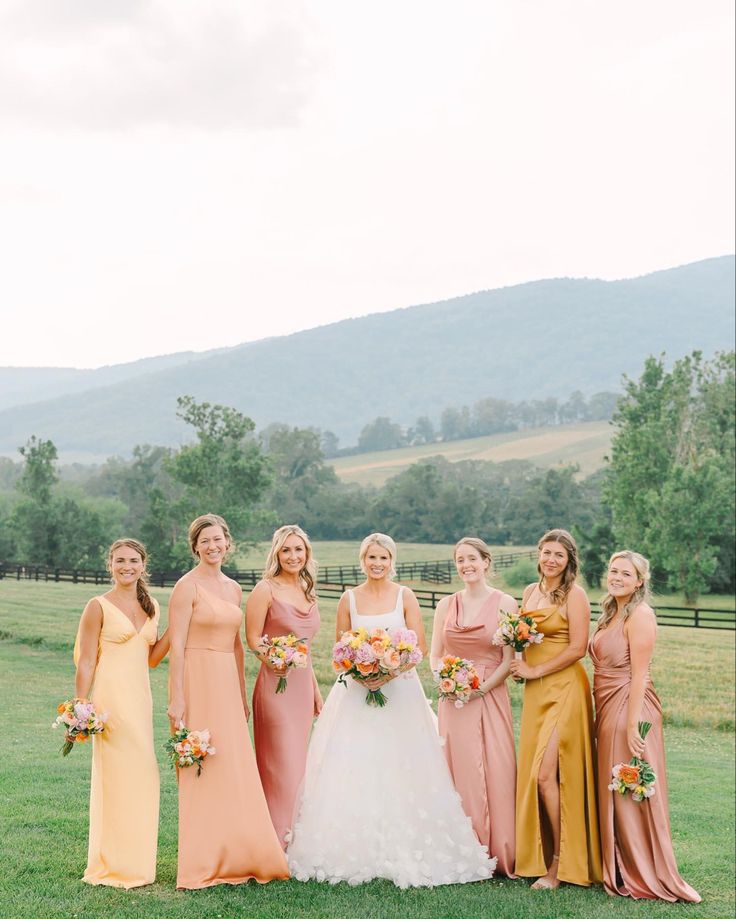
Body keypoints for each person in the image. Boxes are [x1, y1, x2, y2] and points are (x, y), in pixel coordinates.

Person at [287, 533, 495, 888]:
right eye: (371, 558)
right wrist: (361, 672)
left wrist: (387, 671)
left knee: (403, 763)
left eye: (383, 558)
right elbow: (340, 649)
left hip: (400, 692)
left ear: (392, 560)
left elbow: (417, 646)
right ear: (362, 560)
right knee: (356, 762)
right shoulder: (348, 598)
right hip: (356, 694)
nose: (377, 564)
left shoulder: (405, 595)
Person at [167, 513, 288, 889]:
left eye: (218, 539)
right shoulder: (186, 587)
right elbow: (176, 648)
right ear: (195, 547)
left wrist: (240, 694)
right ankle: (203, 859)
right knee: (203, 766)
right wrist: (177, 699)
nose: (212, 546)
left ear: (228, 542)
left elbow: (237, 646)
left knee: (235, 768)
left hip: (225, 683)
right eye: (205, 541)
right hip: (197, 678)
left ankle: (243, 852)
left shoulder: (234, 589)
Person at [589, 551, 701, 902]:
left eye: (626, 573)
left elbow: (640, 673)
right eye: (613, 570)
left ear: (639, 581)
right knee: (614, 786)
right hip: (607, 704)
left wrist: (632, 723)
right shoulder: (610, 613)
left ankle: (645, 872)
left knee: (629, 784)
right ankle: (620, 865)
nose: (617, 577)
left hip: (629, 706)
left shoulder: (640, 614)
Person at [73, 538, 169, 888]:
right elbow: (85, 660)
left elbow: (153, 658)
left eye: (133, 560)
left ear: (144, 564)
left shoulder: (153, 605)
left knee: (144, 777)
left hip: (140, 703)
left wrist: (179, 626)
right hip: (109, 705)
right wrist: (80, 707)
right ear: (110, 565)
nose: (126, 566)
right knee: (114, 780)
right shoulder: (97, 606)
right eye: (119, 561)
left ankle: (138, 862)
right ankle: (111, 863)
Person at [509, 528, 601, 889]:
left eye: (558, 555)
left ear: (569, 561)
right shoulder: (530, 591)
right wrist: (520, 664)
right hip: (535, 693)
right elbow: (520, 635)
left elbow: (578, 648)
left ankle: (560, 865)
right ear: (539, 554)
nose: (551, 560)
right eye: (546, 553)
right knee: (534, 775)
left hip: (565, 689)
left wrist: (535, 669)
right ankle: (539, 854)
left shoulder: (575, 596)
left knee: (549, 775)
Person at [430, 537, 517, 876]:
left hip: (489, 696)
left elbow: (510, 660)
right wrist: (447, 679)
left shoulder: (505, 603)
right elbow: (435, 655)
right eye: (460, 560)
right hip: (453, 699)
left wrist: (480, 689)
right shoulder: (445, 605)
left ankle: (498, 848)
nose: (466, 565)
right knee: (457, 768)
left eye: (472, 559)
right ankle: (460, 847)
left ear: (486, 562)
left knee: (496, 767)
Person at [246, 524, 322, 849]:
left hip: (302, 689)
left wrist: (316, 690)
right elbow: (252, 640)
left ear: (307, 554)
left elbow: (306, 649)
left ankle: (299, 836)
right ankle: (276, 841)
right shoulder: (265, 590)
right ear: (277, 553)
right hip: (274, 687)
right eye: (286, 550)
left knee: (300, 763)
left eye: (298, 550)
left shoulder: (309, 591)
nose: (293, 556)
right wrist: (273, 659)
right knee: (281, 762)